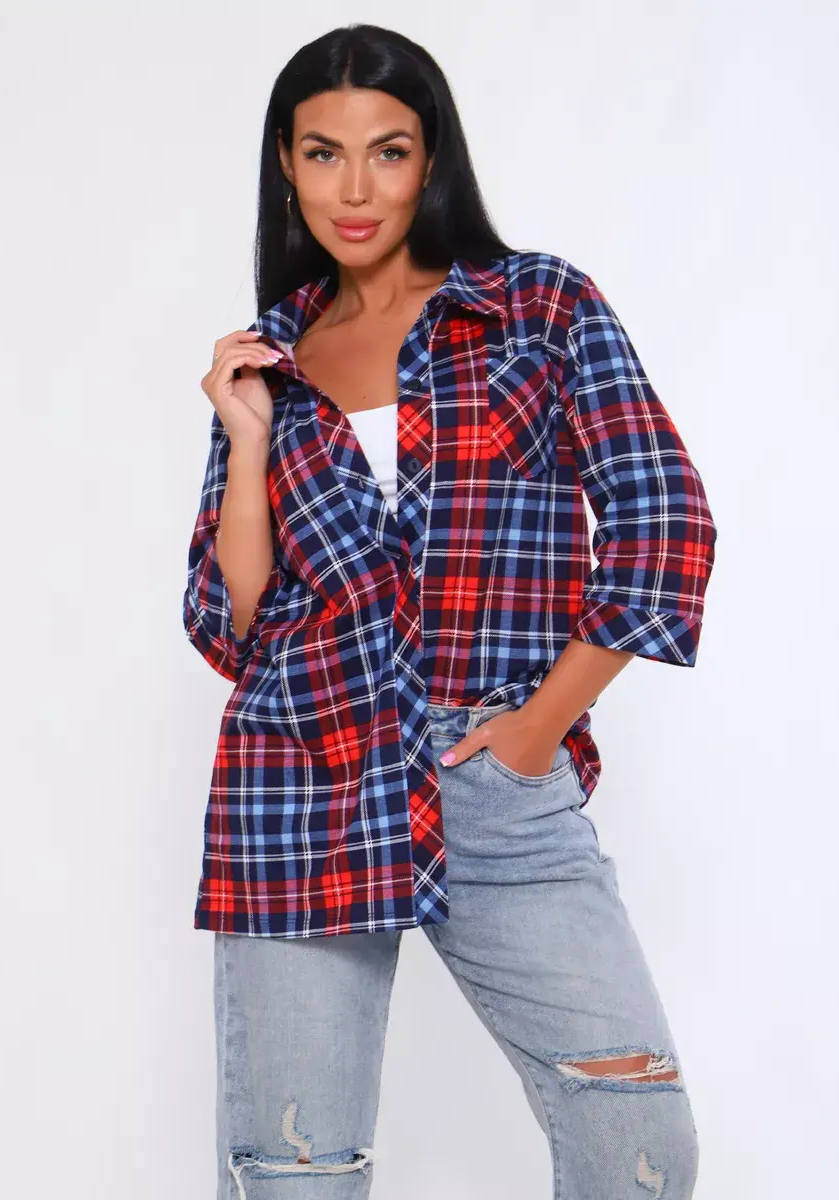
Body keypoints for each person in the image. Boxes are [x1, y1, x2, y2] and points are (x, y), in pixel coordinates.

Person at [182, 22, 717, 1200]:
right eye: (323, 153)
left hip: (496, 780)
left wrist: (536, 731)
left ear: (432, 159)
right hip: (302, 778)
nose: (355, 189)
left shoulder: (537, 307)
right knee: (296, 1175)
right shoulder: (271, 360)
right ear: (286, 165)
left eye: (388, 151)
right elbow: (233, 625)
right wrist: (248, 435)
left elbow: (665, 523)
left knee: (640, 1152)